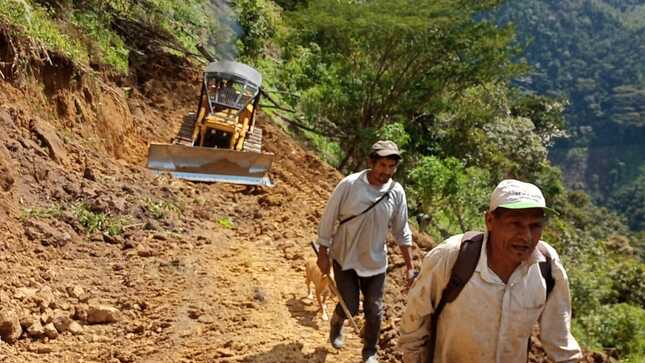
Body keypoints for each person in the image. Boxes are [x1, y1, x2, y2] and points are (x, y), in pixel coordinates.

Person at [398, 179, 583, 363]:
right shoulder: (452, 257)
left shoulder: (547, 267)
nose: (526, 236)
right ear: (490, 221)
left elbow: (560, 342)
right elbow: (414, 327)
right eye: (515, 224)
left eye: (535, 226)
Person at [317, 140, 415, 363]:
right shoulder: (350, 185)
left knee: (375, 308)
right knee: (350, 305)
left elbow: (402, 230)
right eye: (382, 165)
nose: (386, 172)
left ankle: (370, 350)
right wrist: (323, 252)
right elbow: (328, 218)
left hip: (375, 261)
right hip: (345, 256)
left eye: (391, 167)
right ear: (371, 162)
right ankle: (337, 321)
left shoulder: (396, 192)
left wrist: (410, 267)